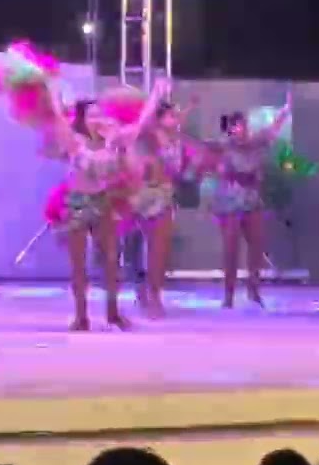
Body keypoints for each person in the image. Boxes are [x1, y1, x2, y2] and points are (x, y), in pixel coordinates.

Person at [47, 86, 164, 331]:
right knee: (78, 265)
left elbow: (142, 123)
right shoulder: (75, 141)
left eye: (100, 115)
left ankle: (113, 313)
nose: (97, 120)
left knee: (111, 260)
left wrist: (155, 95)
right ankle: (81, 316)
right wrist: (52, 93)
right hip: (77, 203)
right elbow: (57, 119)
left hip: (103, 201)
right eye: (91, 116)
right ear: (83, 120)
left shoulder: (117, 139)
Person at [204, 95, 292, 308]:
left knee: (256, 244)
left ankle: (254, 289)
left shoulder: (257, 142)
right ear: (230, 128)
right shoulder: (223, 145)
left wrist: (286, 109)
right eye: (237, 126)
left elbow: (274, 129)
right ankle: (229, 294)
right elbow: (205, 153)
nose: (242, 128)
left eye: (244, 124)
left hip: (251, 199)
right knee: (231, 248)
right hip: (229, 201)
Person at [125, 92, 198, 318]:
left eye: (176, 116)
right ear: (158, 119)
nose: (176, 119)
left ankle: (155, 295)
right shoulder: (148, 133)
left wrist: (189, 108)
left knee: (160, 248)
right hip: (140, 195)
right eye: (170, 116)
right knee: (135, 247)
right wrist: (155, 95)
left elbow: (180, 121)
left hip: (164, 195)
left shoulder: (176, 137)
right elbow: (145, 121)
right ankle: (140, 288)